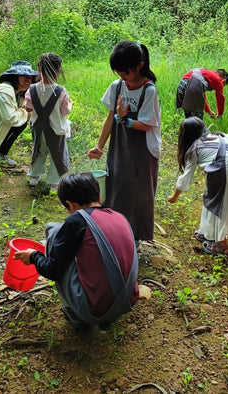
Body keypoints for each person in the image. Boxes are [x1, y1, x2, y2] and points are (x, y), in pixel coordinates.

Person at [13, 172, 139, 329]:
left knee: (54, 230)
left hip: (94, 310)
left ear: (70, 205)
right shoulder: (119, 216)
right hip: (126, 301)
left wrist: (34, 256)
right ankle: (108, 316)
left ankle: (78, 318)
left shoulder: (76, 221)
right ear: (98, 197)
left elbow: (52, 270)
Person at [87, 41, 161, 242]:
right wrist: (99, 146)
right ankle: (116, 230)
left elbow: (145, 125)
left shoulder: (148, 90)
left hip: (143, 149)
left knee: (140, 191)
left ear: (139, 65)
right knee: (117, 185)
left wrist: (123, 119)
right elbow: (111, 117)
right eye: (117, 71)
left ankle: (135, 236)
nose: (121, 75)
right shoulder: (118, 86)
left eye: (125, 72)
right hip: (120, 146)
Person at [168, 117, 228, 257]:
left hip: (226, 167)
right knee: (217, 199)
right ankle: (207, 232)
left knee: (219, 203)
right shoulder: (218, 135)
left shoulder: (193, 148)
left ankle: (221, 245)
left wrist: (174, 197)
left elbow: (185, 178)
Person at [25, 52, 72, 194]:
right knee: (57, 154)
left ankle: (34, 177)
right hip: (56, 130)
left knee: (39, 151)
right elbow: (64, 111)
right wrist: (70, 104)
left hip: (38, 128)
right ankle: (54, 184)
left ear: (39, 69)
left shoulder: (32, 89)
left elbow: (28, 107)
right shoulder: (60, 90)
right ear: (58, 71)